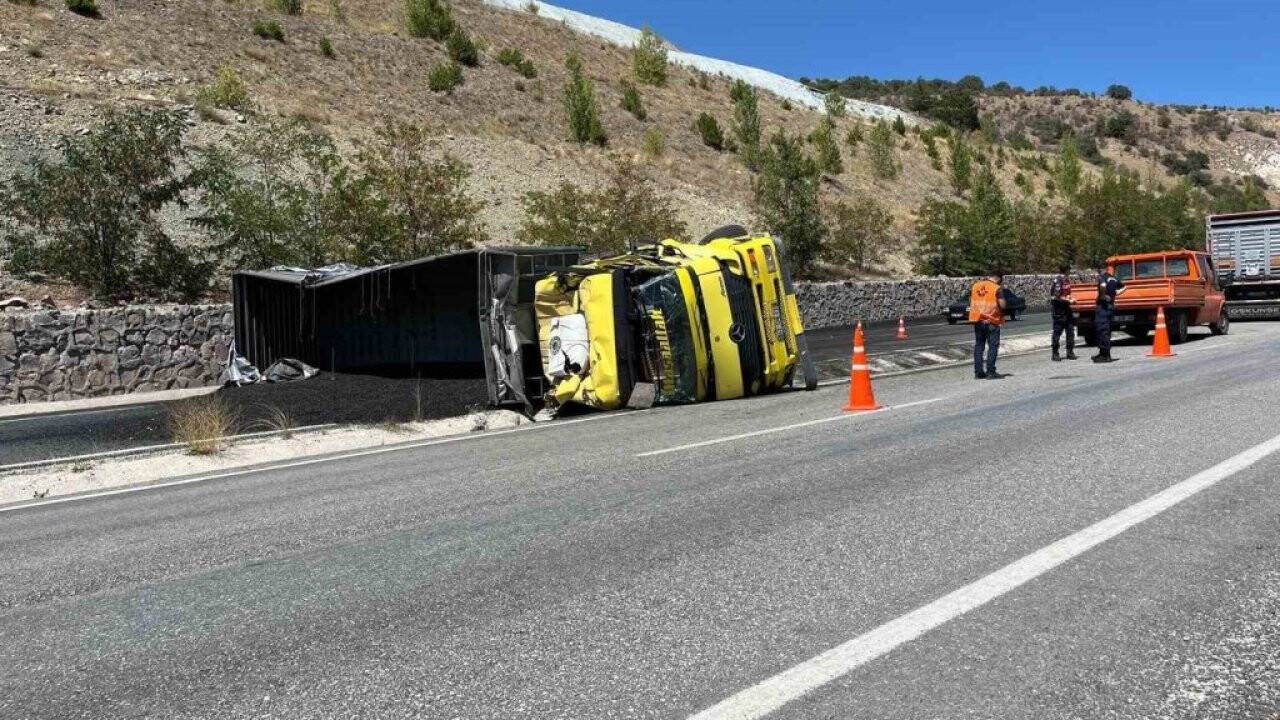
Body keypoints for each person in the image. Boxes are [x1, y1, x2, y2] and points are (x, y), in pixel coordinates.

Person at [968, 271, 1007, 379]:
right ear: (998, 278)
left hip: (978, 320)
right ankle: (990, 372)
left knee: (979, 346)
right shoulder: (996, 288)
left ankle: (978, 372)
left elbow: (971, 300)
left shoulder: (975, 286)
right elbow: (1002, 305)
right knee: (993, 347)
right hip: (991, 321)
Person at [1092, 262, 1126, 363]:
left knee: (1102, 330)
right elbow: (1125, 287)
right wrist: (1115, 293)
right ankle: (1103, 353)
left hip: (1103, 307)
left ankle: (1105, 355)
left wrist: (1103, 295)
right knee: (1106, 330)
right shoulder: (1114, 279)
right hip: (1110, 306)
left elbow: (1102, 285)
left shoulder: (1103, 278)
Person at [1050, 264, 1078, 361]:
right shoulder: (1058, 280)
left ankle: (1070, 352)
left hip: (1067, 309)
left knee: (1070, 331)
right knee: (1057, 332)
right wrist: (1068, 300)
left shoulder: (1067, 280)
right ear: (1066, 270)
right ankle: (1055, 353)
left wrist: (1071, 298)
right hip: (1059, 310)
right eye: (1069, 270)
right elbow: (1056, 296)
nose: (1070, 271)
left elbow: (1067, 294)